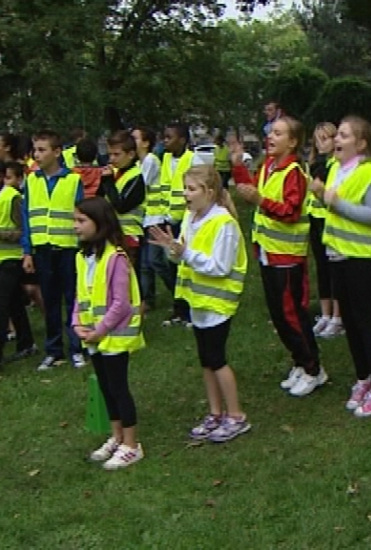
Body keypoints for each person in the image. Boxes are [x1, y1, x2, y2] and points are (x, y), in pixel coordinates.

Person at [149, 165, 251, 442]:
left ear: (209, 192)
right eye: (185, 188)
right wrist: (173, 249)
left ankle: (236, 415)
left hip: (218, 304)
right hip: (198, 302)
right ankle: (215, 413)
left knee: (217, 359)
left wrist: (185, 253)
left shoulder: (224, 224)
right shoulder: (190, 218)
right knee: (205, 360)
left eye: (191, 189)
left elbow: (220, 266)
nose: (186, 194)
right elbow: (182, 255)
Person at [310, 115, 371, 417]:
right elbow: (333, 206)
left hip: (362, 260)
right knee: (350, 323)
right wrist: (321, 197)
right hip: (338, 256)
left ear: (360, 143)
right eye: (338, 135)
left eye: (344, 135)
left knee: (366, 323)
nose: (337, 140)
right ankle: (364, 378)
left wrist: (335, 203)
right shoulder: (335, 168)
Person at [232, 116, 324, 397]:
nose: (271, 137)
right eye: (271, 132)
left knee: (292, 314)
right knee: (279, 315)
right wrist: (238, 167)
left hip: (288, 257)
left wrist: (260, 201)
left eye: (279, 133)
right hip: (269, 253)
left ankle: (313, 369)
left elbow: (290, 211)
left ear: (293, 142)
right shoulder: (269, 166)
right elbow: (255, 192)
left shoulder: (293, 171)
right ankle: (299, 360)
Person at [72, 197, 145, 469]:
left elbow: (120, 302)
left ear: (99, 224)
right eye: (74, 220)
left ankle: (131, 444)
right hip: (95, 336)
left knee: (118, 387)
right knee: (105, 387)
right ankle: (116, 437)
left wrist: (99, 331)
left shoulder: (116, 258)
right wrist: (76, 323)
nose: (75, 226)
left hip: (114, 336)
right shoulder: (82, 257)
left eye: (81, 221)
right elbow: (81, 294)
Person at [21, 130, 86, 370]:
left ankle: (77, 348)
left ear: (57, 152)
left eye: (42, 150)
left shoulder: (73, 180)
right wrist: (27, 251)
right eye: (35, 150)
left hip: (68, 249)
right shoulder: (31, 180)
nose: (36, 155)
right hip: (43, 250)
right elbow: (27, 217)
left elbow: (81, 215)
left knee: (72, 300)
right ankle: (53, 349)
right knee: (49, 301)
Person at [160, 122, 203, 327]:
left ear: (183, 140)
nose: (165, 141)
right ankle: (179, 308)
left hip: (187, 219)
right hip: (168, 220)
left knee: (186, 266)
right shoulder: (165, 159)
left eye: (169, 137)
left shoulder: (193, 159)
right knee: (172, 265)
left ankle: (191, 309)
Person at [307, 122, 344, 339]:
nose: (321, 143)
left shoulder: (335, 164)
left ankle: (338, 317)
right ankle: (325, 314)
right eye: (317, 139)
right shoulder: (315, 162)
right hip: (315, 218)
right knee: (321, 267)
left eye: (326, 138)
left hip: (330, 220)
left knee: (334, 268)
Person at [96, 131, 146, 280]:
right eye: (109, 154)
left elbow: (122, 206)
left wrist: (108, 182)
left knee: (128, 277)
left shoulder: (136, 176)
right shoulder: (114, 173)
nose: (111, 159)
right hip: (110, 233)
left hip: (129, 235)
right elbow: (100, 198)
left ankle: (138, 302)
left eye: (116, 155)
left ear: (130, 154)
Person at [0, 161, 36, 366]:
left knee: (3, 305)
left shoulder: (11, 197)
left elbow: (24, 230)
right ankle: (26, 343)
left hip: (11, 260)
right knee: (14, 304)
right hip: (4, 259)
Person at [132, 127, 163, 313]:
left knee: (154, 260)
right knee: (145, 263)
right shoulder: (138, 163)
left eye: (135, 138)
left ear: (146, 143)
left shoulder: (150, 160)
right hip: (144, 218)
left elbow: (139, 186)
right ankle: (147, 299)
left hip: (155, 216)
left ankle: (178, 292)